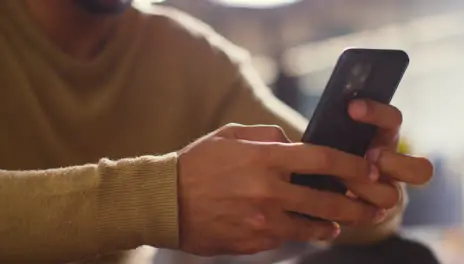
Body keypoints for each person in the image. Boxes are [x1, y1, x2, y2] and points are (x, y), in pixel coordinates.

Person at [0, 0, 433, 263]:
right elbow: (158, 197)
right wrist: (159, 197)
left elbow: (347, 210)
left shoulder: (188, 55)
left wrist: (365, 187)